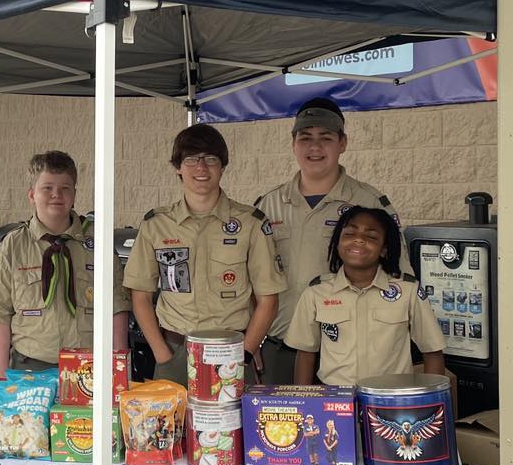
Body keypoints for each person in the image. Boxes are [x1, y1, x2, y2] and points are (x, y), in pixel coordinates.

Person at [254, 97, 404, 385]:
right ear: (293, 143)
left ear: (343, 143)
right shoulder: (267, 206)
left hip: (350, 354)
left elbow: (397, 276)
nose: (315, 147)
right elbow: (253, 278)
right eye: (305, 137)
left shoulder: (369, 203)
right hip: (280, 349)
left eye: (326, 137)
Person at [123, 125, 284, 384]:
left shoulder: (251, 223)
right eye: (190, 159)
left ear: (223, 166)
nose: (201, 168)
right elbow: (140, 295)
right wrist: (163, 354)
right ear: (178, 167)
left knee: (234, 425)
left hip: (233, 352)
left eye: (211, 159)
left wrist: (245, 353)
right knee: (171, 425)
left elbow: (268, 300)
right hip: (174, 350)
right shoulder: (156, 225)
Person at [0, 150, 130, 377]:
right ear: (31, 194)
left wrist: (119, 369)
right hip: (30, 367)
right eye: (47, 188)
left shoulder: (99, 244)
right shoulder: (13, 247)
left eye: (65, 188)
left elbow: (117, 308)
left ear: (74, 194)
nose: (56, 194)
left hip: (89, 367)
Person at [286, 207, 447, 387]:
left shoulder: (408, 291)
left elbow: (432, 351)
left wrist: (430, 403)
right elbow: (306, 354)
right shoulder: (316, 293)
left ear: (383, 250)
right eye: (349, 233)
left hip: (390, 399)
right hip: (336, 402)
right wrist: (304, 402)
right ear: (338, 242)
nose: (359, 239)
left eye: (371, 237)